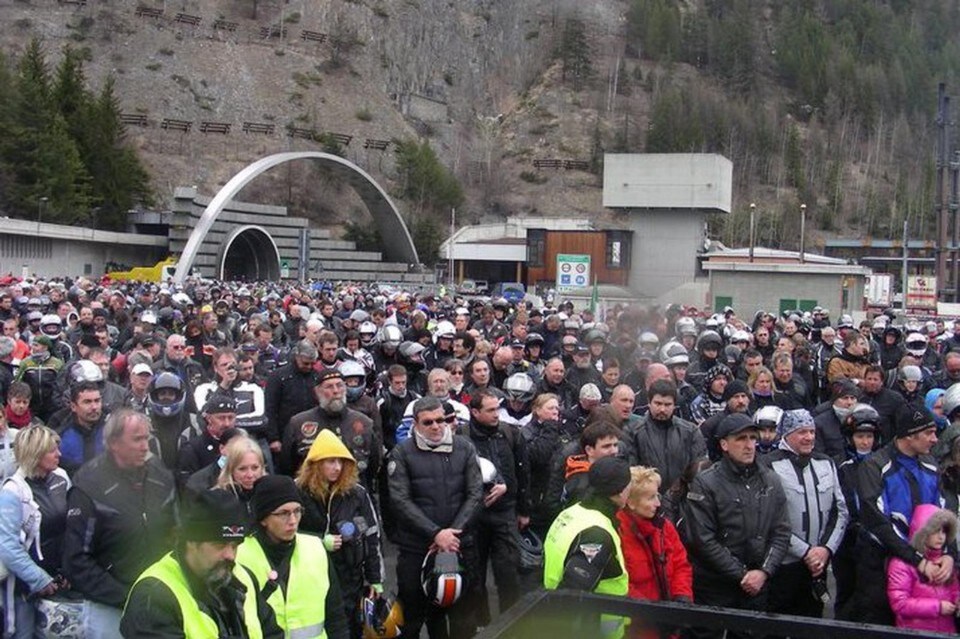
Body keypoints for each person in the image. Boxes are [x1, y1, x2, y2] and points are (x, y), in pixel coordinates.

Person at [64, 409, 176, 638]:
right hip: (110, 610)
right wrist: (126, 595)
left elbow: (176, 531)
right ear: (114, 442)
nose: (145, 446)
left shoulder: (160, 475)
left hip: (159, 602)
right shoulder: (89, 485)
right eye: (137, 439)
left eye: (147, 438)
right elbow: (75, 560)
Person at [120, 488, 284, 639]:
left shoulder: (242, 577)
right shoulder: (154, 595)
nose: (229, 555)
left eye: (234, 546)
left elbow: (272, 633)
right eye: (219, 545)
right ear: (191, 543)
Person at [681, 413, 790, 638]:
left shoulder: (771, 480)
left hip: (757, 585)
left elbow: (781, 531)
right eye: (741, 439)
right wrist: (741, 574)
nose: (749, 445)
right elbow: (701, 538)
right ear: (724, 444)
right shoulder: (705, 482)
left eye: (752, 438)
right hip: (714, 586)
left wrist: (763, 572)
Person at [387, 396, 483, 639]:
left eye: (440, 420)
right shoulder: (402, 452)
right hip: (417, 548)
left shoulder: (465, 447)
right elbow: (400, 500)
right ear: (416, 424)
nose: (436, 426)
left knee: (463, 616)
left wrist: (452, 534)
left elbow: (475, 493)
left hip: (460, 546)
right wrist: (435, 534)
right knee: (414, 616)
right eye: (428, 422)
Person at [852, 403, 951, 625]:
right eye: (929, 433)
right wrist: (916, 558)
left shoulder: (931, 466)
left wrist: (947, 554)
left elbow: (943, 516)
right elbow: (877, 522)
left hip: (925, 564)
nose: (935, 439)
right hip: (880, 565)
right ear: (909, 436)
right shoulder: (873, 467)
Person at [235, 474, 351, 639]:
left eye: (297, 511)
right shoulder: (240, 555)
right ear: (263, 518)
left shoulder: (315, 548)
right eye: (283, 513)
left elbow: (335, 614)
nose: (293, 520)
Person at [296, 430, 382, 638]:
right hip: (310, 577)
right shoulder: (298, 492)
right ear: (316, 464)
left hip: (349, 578)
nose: (337, 467)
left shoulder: (357, 494)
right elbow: (288, 533)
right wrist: (318, 542)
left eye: (341, 462)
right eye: (330, 461)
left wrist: (375, 578)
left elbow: (371, 536)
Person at [764, 409, 848, 618]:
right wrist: (805, 551)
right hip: (783, 564)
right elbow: (769, 518)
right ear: (786, 434)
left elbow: (840, 511)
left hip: (818, 564)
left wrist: (826, 549)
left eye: (812, 432)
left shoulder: (826, 463)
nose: (809, 437)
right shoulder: (768, 465)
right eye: (802, 432)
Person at [543, 457, 631, 635]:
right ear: (620, 492)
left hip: (553, 611)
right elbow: (573, 592)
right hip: (589, 628)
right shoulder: (597, 533)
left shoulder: (572, 512)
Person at [463, 389, 529, 625]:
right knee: (475, 576)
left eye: (497, 409)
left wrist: (523, 509)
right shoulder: (462, 438)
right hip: (474, 517)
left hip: (505, 513)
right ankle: (482, 625)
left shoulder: (511, 433)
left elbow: (522, 472)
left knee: (509, 575)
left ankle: (511, 625)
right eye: (490, 410)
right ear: (475, 412)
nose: (496, 415)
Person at [0, 425, 72, 638]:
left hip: (61, 580)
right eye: (52, 450)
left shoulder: (62, 478)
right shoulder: (12, 492)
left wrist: (70, 568)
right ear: (36, 453)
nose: (59, 454)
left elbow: (74, 526)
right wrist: (38, 579)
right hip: (25, 589)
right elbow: (7, 545)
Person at [621, 379, 707, 521]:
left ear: (674, 405)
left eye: (667, 405)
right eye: (658, 404)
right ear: (649, 402)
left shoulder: (690, 431)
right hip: (646, 506)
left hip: (683, 505)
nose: (662, 409)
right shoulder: (633, 432)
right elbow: (632, 472)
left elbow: (699, 469)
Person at [616, 466, 693, 603]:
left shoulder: (665, 527)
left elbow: (681, 565)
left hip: (670, 611)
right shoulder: (618, 532)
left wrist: (682, 597)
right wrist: (648, 611)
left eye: (657, 495)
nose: (658, 503)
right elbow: (621, 583)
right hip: (637, 617)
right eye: (650, 498)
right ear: (631, 502)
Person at [886, 504, 960, 633]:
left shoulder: (945, 562)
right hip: (914, 632)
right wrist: (938, 607)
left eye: (944, 531)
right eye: (936, 531)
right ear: (922, 532)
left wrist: (958, 600)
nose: (941, 537)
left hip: (946, 632)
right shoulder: (901, 564)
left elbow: (954, 591)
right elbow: (899, 604)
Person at [177, 394, 239, 486]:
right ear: (209, 419)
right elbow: (188, 486)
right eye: (221, 418)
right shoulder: (193, 448)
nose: (227, 423)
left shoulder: (244, 445)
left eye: (231, 418)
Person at [215, 436, 266, 512]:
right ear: (230, 469)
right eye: (242, 469)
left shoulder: (273, 496)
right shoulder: (215, 501)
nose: (250, 475)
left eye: (255, 468)